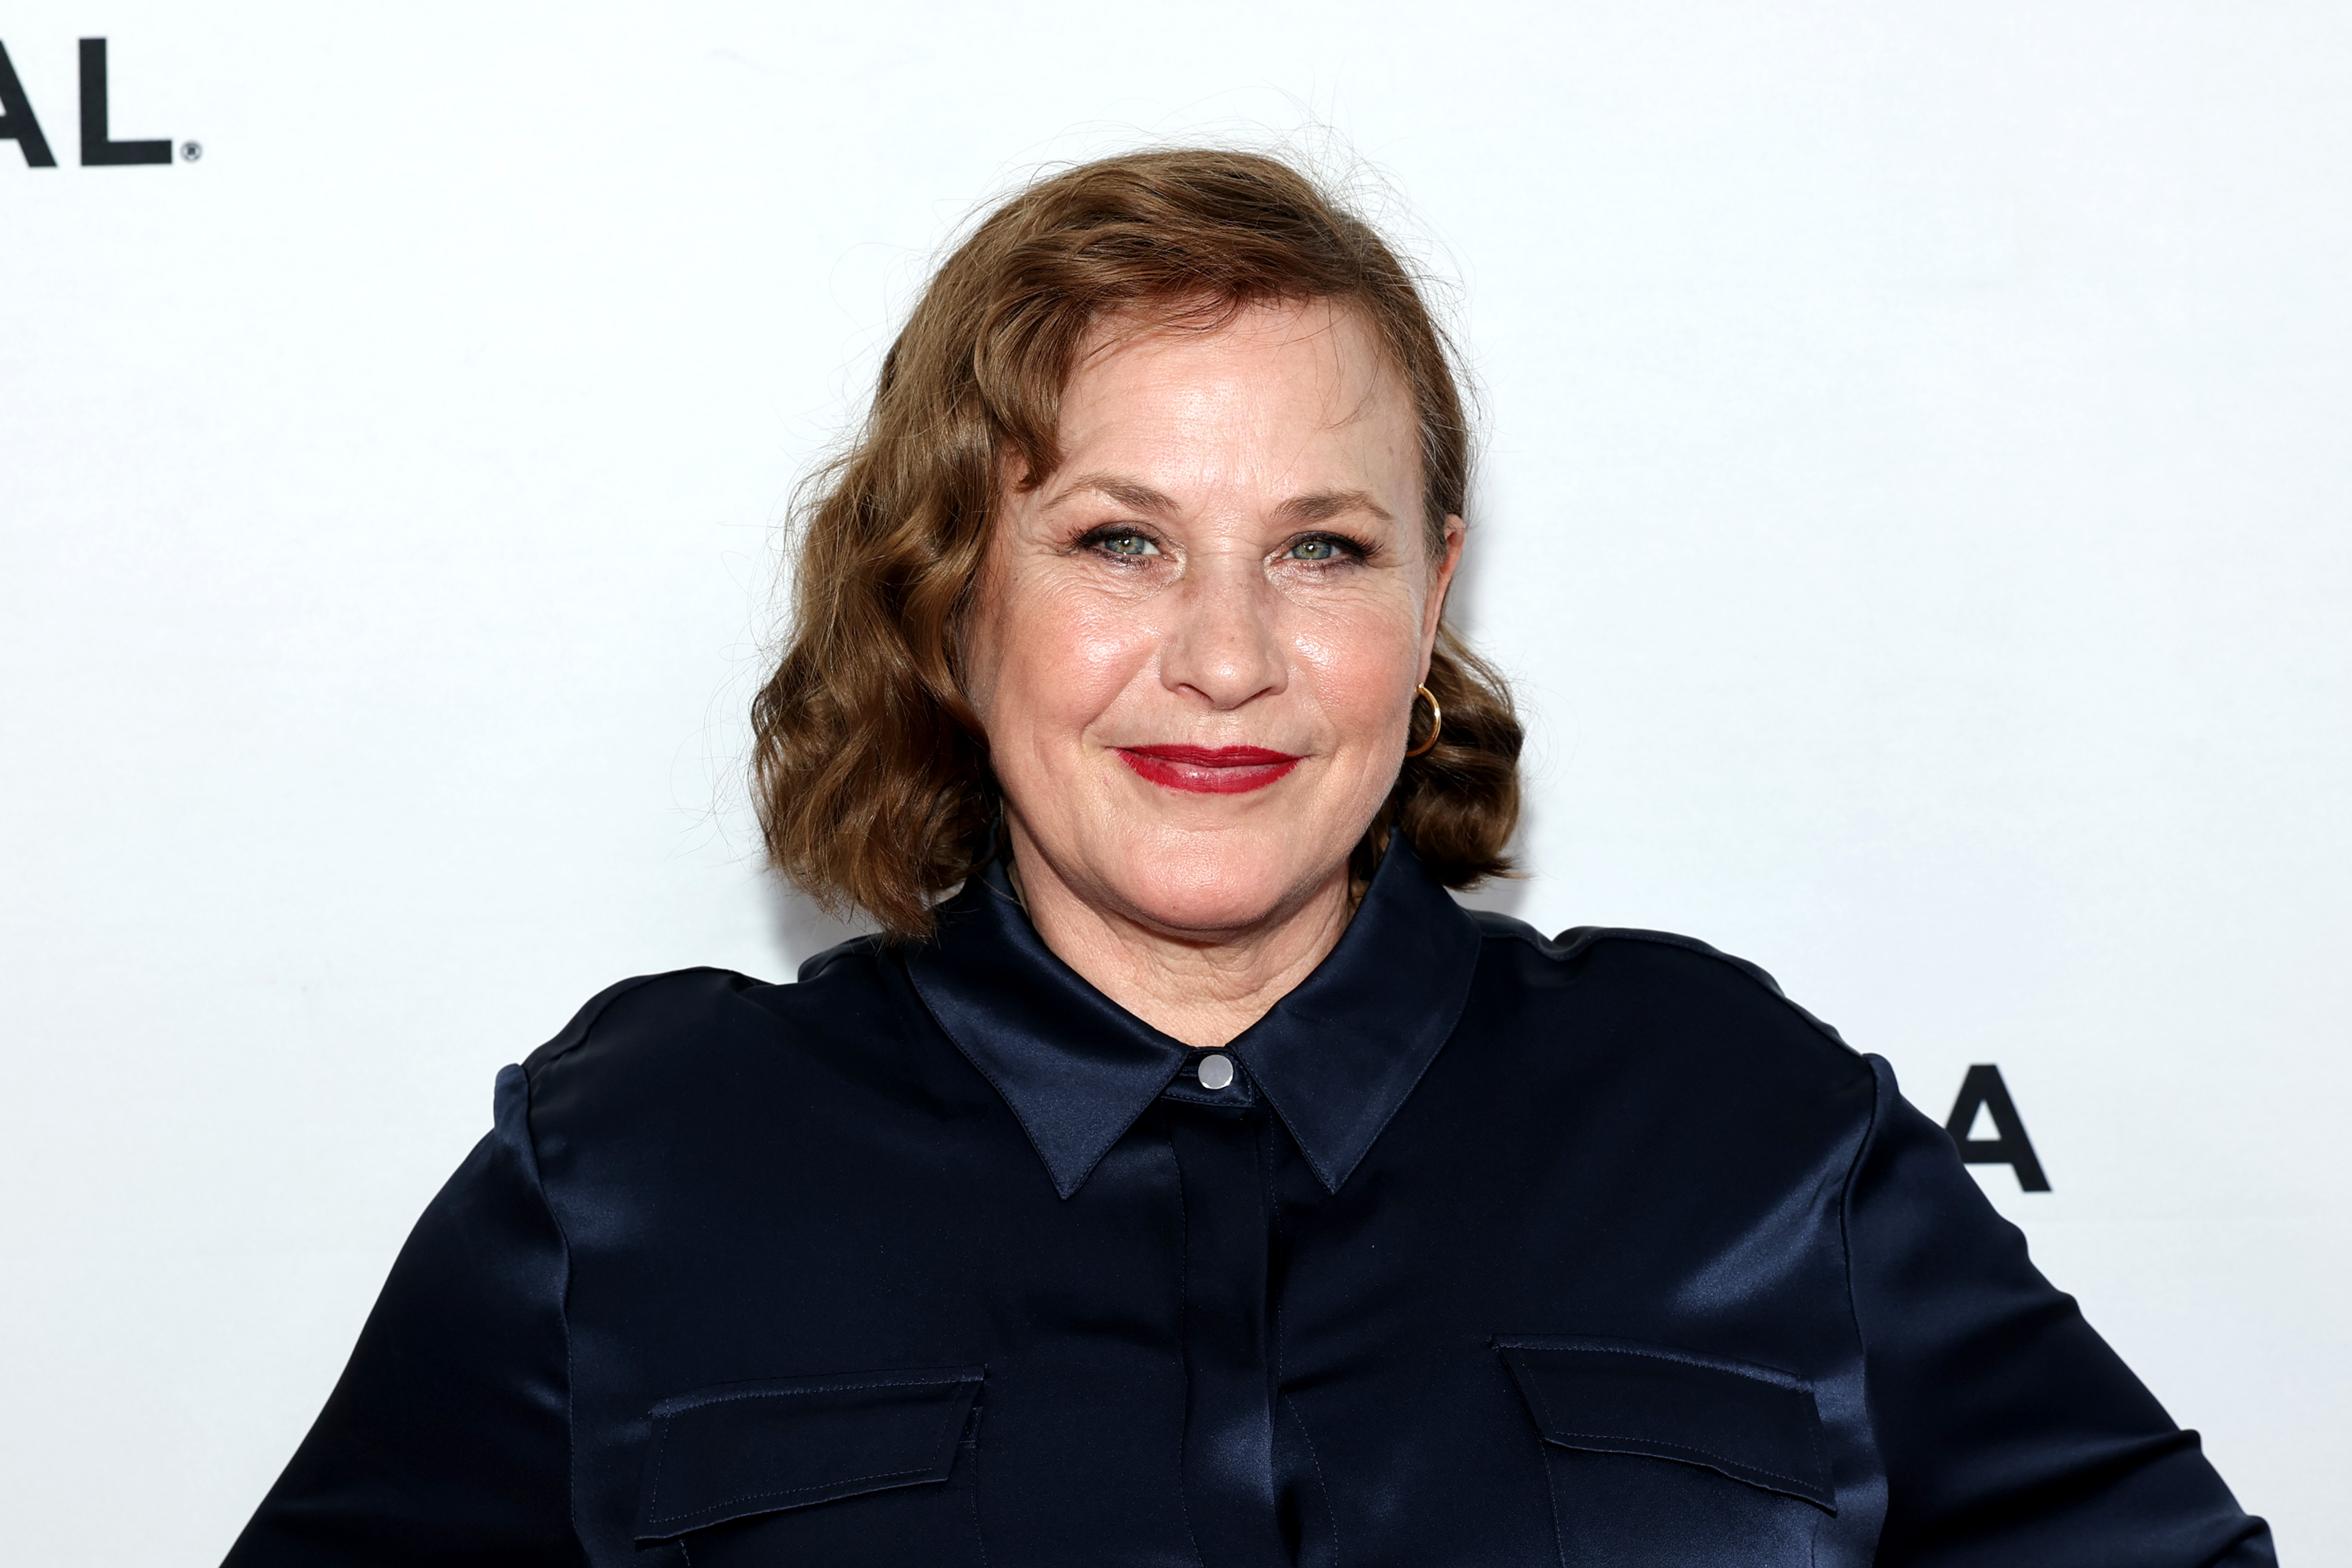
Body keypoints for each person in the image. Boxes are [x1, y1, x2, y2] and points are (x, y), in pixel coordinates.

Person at [223, 149, 2274, 1568]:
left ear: (1436, 592)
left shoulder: (1743, 1124)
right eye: (1120, 540)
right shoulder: (635, 1164)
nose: (1226, 657)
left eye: (1322, 546)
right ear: (952, 594)